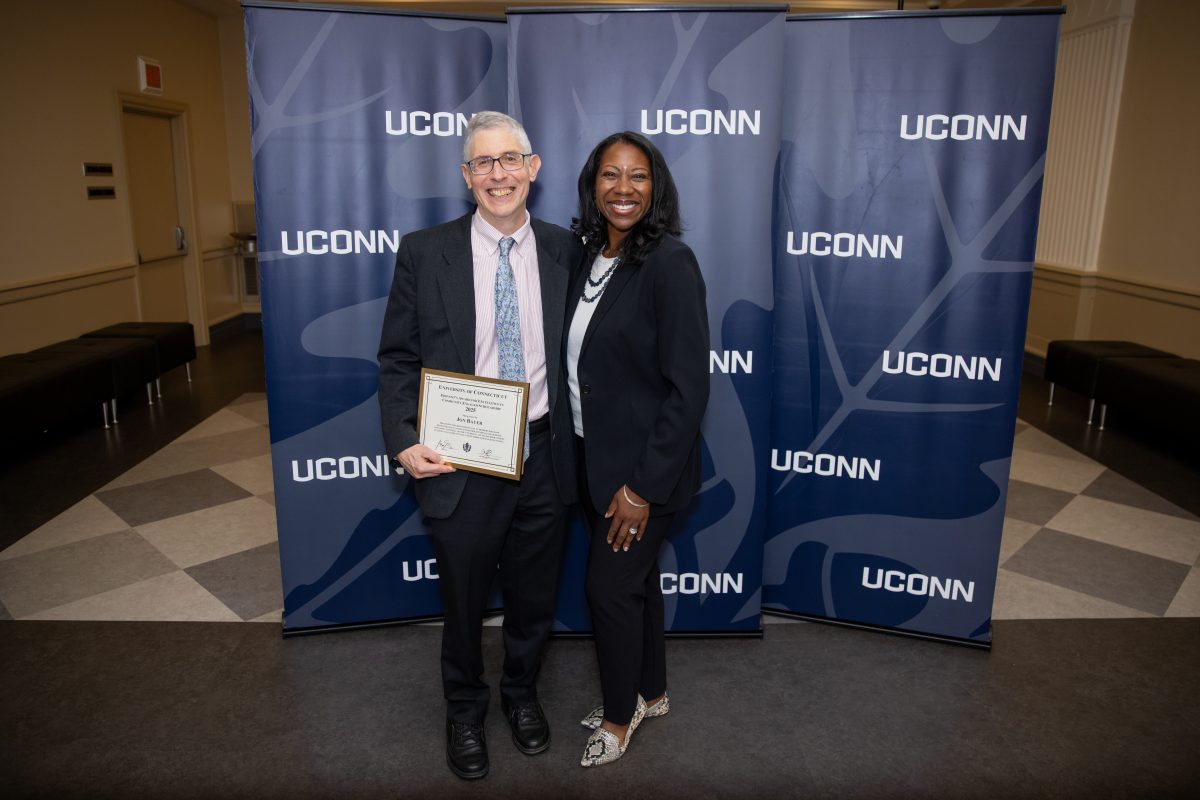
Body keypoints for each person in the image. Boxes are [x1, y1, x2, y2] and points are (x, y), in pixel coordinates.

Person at [378, 111, 580, 781]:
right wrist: (403, 438)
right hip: (461, 457)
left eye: (509, 160)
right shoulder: (423, 250)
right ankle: (464, 710)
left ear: (534, 167)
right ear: (467, 177)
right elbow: (398, 358)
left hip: (546, 453)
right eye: (483, 164)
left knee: (534, 597)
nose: (498, 175)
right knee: (463, 599)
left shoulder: (568, 250)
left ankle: (520, 696)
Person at [565, 131, 710, 767]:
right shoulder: (588, 254)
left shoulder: (670, 262)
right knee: (639, 587)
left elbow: (688, 388)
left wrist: (642, 488)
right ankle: (651, 691)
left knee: (611, 591)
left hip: (643, 477)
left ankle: (620, 720)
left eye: (639, 177)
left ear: (657, 190)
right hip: (589, 462)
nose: (623, 188)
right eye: (610, 175)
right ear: (592, 185)